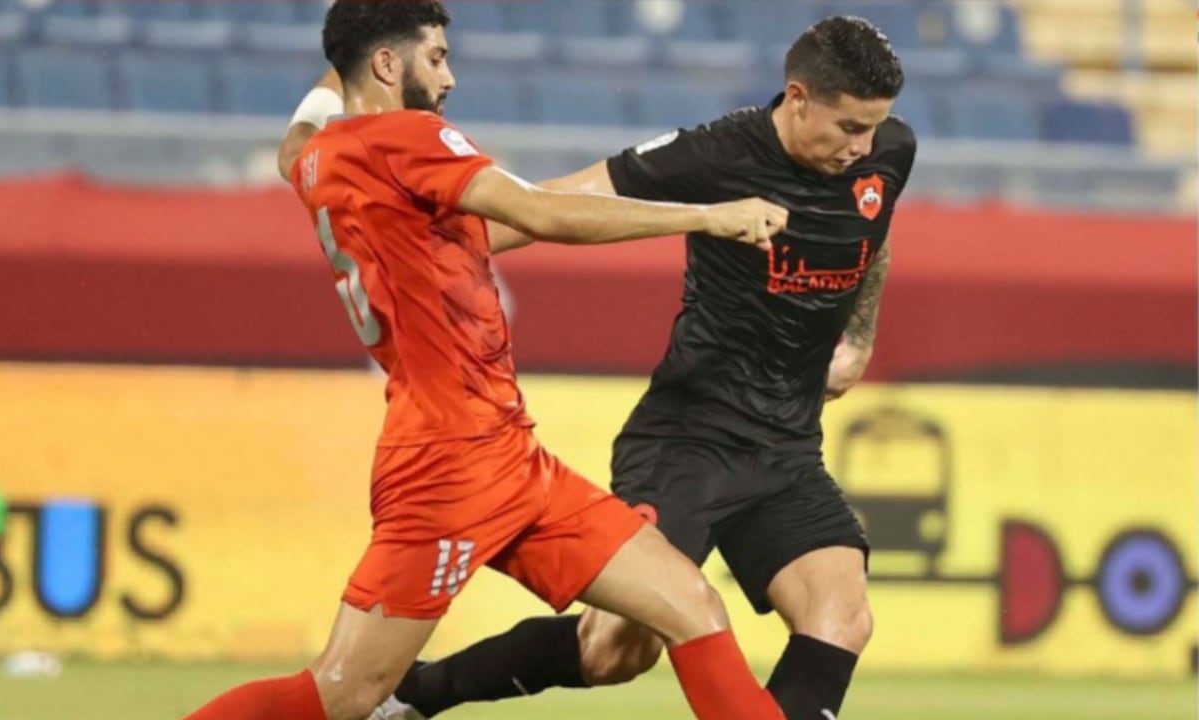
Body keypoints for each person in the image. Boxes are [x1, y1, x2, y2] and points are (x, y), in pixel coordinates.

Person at [185, 2, 793, 719]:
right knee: (345, 692)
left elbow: (301, 130)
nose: (449, 76)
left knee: (691, 605)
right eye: (436, 56)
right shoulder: (403, 137)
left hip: (508, 455)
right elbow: (535, 211)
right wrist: (707, 216)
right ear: (387, 65)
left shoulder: (318, 159)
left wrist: (345, 48)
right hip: (449, 463)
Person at [376, 14, 917, 720]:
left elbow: (873, 238)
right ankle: (414, 694)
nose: (864, 147)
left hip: (787, 449)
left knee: (841, 618)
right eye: (850, 127)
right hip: (687, 440)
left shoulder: (888, 154)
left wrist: (861, 336)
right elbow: (560, 204)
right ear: (798, 97)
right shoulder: (719, 152)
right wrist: (413, 255)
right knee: (616, 651)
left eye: (875, 127)